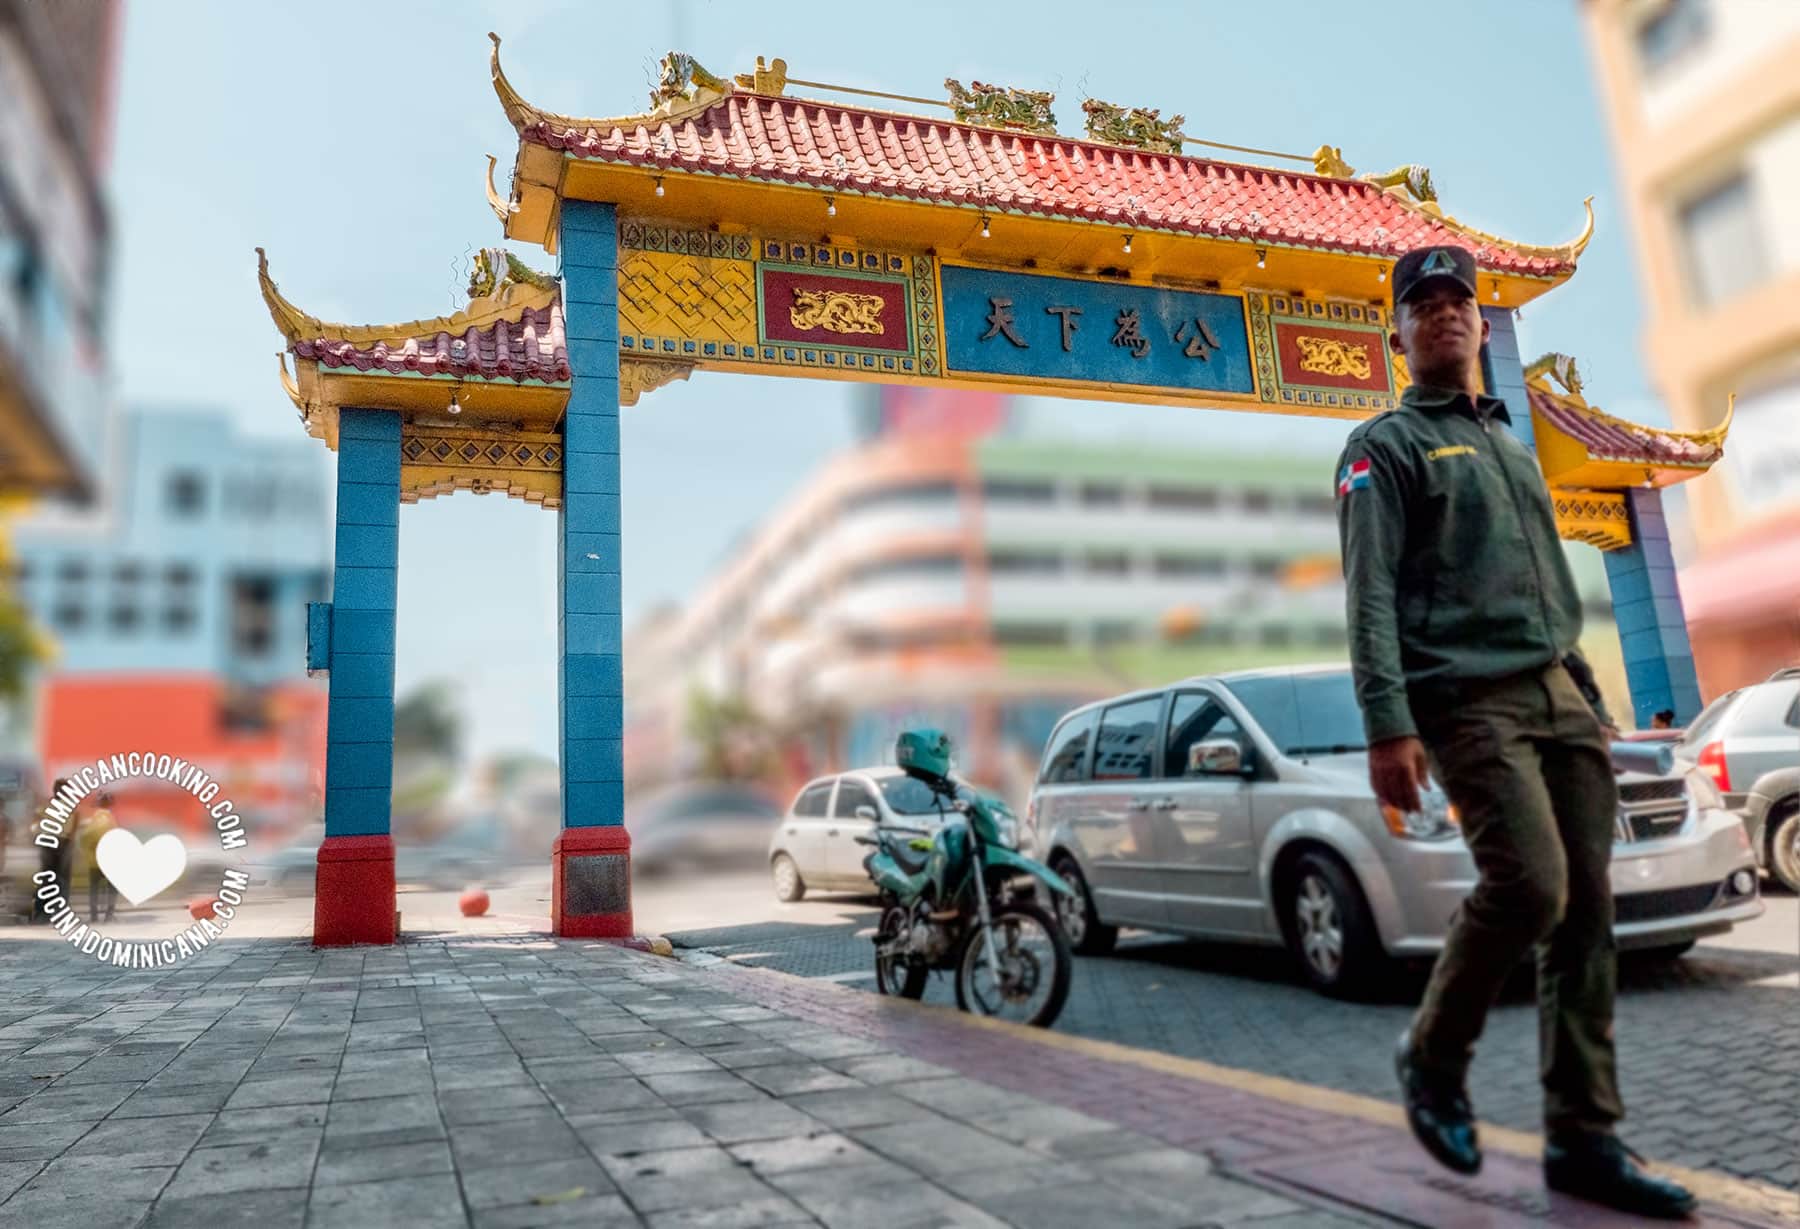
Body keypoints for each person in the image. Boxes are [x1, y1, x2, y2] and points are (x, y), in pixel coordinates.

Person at [1334, 245, 1696, 1219]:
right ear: (1398, 335)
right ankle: (1433, 1051)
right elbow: (1368, 594)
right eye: (1425, 305)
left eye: (1461, 302)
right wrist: (1387, 725)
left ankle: (1584, 1137)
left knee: (1586, 913)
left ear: (1484, 329)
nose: (1446, 314)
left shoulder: (1512, 444)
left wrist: (1585, 687)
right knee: (1530, 883)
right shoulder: (1386, 446)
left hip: (1560, 696)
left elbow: (1546, 584)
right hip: (1467, 700)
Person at [75, 793, 118, 922]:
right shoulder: (107, 818)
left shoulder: (93, 819)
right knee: (112, 888)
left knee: (94, 889)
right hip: (108, 861)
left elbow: (84, 837)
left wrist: (88, 850)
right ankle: (109, 916)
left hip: (93, 861)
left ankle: (94, 916)